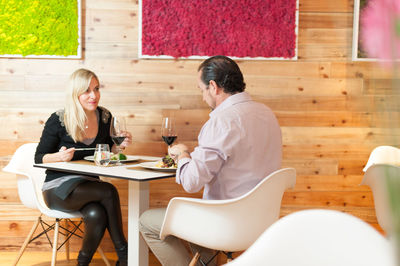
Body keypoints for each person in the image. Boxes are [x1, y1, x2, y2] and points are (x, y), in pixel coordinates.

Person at [139, 55, 282, 266]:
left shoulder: (221, 121)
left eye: (201, 89)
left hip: (225, 224)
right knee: (199, 216)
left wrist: (183, 156)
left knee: (146, 222)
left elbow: (191, 182)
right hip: (262, 222)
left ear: (213, 87)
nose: (203, 97)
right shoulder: (266, 114)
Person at [34, 68, 132, 266]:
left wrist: (120, 145)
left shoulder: (105, 117)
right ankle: (125, 255)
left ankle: (82, 263)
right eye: (86, 91)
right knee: (109, 190)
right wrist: (59, 157)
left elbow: (108, 151)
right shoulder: (59, 119)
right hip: (58, 188)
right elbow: (38, 157)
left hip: (89, 186)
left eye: (96, 89)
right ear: (75, 92)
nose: (93, 95)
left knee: (96, 214)